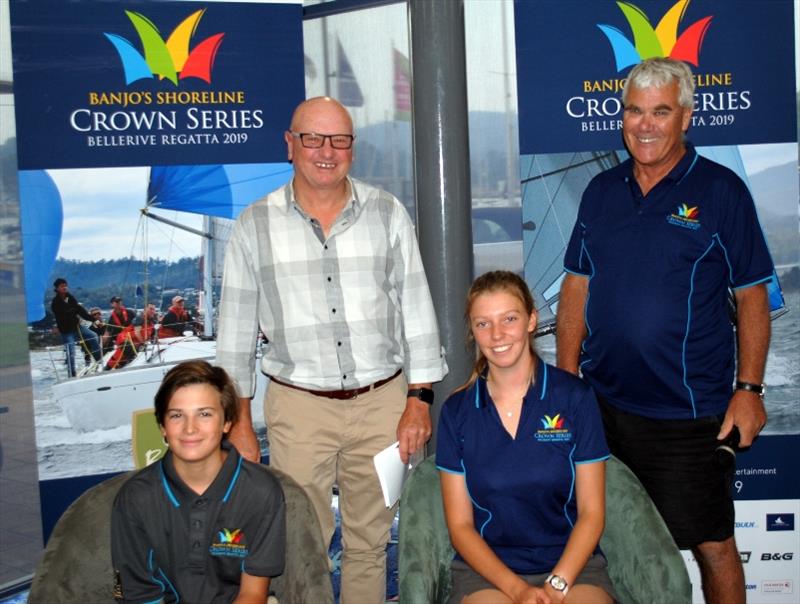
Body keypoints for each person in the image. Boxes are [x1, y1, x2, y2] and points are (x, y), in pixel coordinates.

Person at [556, 58, 772, 604]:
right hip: (604, 410)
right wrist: (564, 382)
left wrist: (748, 391)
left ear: (686, 117)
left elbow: (752, 296)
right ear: (621, 116)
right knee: (608, 542)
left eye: (660, 111)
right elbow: (576, 288)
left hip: (690, 414)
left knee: (713, 545)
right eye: (634, 111)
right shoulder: (600, 191)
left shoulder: (722, 192)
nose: (645, 124)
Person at [216, 96, 447, 603]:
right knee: (302, 542)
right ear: (290, 144)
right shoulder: (254, 225)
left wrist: (419, 398)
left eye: (339, 140)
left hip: (383, 405)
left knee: (370, 542)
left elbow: (416, 307)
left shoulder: (387, 212)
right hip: (298, 409)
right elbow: (234, 334)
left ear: (353, 148)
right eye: (313, 138)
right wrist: (238, 422)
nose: (326, 151)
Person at [437, 271, 614, 604]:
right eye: (483, 324)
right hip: (487, 573)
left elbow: (592, 514)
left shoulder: (575, 398)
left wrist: (555, 585)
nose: (497, 334)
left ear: (532, 320)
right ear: (472, 332)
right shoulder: (456, 412)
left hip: (572, 568)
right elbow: (460, 527)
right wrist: (518, 590)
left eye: (509, 319)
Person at [111, 360, 286, 604]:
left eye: (204, 414)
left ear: (227, 422)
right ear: (162, 426)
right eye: (176, 415)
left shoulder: (261, 490)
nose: (190, 429)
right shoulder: (135, 498)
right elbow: (137, 595)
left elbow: (253, 593)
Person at [50, 278, 102, 377]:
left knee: (93, 335)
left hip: (77, 327)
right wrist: (73, 310)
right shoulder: (55, 303)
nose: (65, 287)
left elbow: (80, 310)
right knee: (71, 352)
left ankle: (99, 360)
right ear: (57, 288)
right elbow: (65, 313)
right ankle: (71, 374)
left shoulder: (70, 297)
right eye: (62, 286)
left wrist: (94, 319)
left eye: (65, 285)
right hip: (67, 331)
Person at [105, 296, 137, 369]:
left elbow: (138, 323)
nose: (119, 303)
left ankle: (131, 356)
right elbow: (107, 334)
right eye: (116, 302)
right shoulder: (111, 319)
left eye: (120, 301)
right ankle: (111, 365)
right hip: (122, 342)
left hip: (133, 337)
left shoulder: (130, 312)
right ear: (112, 304)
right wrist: (102, 346)